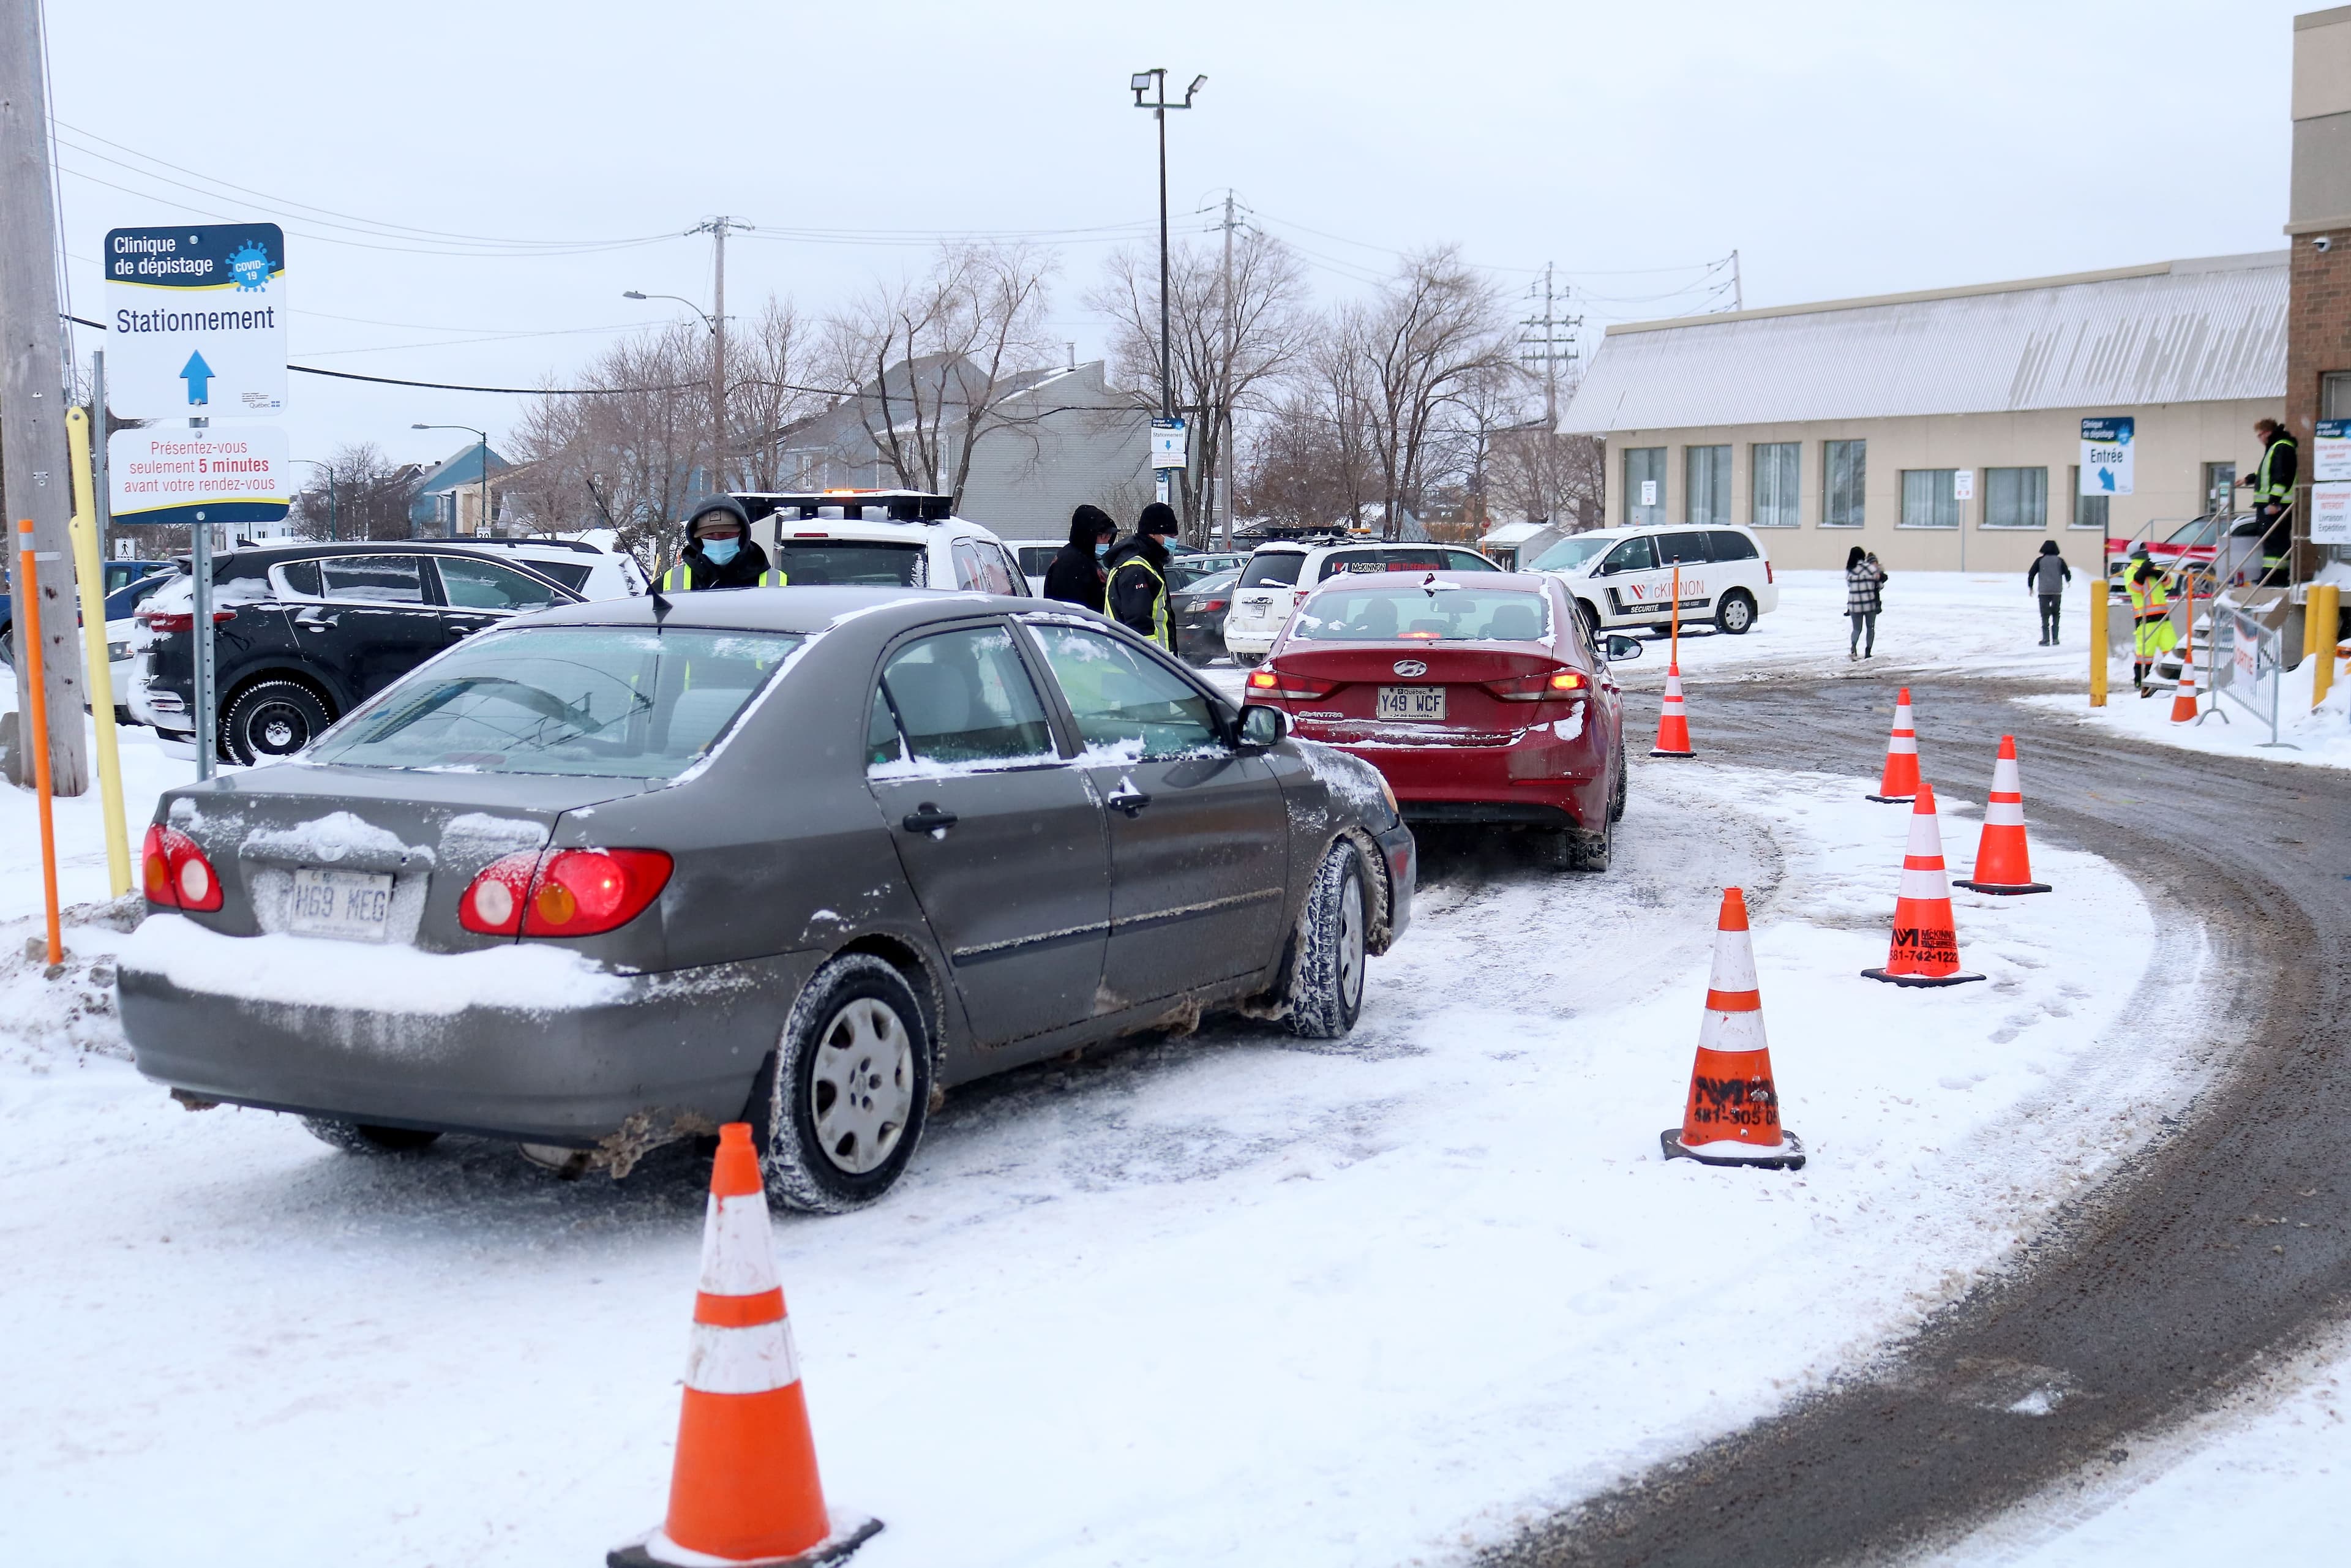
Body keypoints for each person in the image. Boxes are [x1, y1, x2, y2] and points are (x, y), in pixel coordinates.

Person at [657, 496, 782, 591]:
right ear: (697, 539)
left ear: (742, 535)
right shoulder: (668, 584)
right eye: (709, 535)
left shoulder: (779, 584)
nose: (718, 540)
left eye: (727, 534)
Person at [1104, 501, 1180, 650]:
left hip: (1151, 661)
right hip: (1147, 662)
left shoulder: (1148, 562)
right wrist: (1151, 663)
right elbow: (1139, 627)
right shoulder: (1137, 569)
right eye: (1169, 535)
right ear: (1152, 534)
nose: (1173, 540)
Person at [2234, 418, 2298, 585]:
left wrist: (2274, 502)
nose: (2260, 439)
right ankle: (2276, 575)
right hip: (2275, 504)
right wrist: (2248, 479)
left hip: (2276, 506)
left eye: (2260, 435)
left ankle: (2272, 577)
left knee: (2274, 541)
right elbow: (2267, 474)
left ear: (2267, 433)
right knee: (2275, 541)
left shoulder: (2281, 448)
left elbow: (2281, 477)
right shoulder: (2277, 447)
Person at [1042, 504, 1117, 612]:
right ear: (1088, 535)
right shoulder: (1072, 564)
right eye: (1103, 536)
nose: (1107, 542)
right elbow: (1073, 610)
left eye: (1109, 537)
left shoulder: (1087, 557)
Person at [2125, 549, 2176, 696]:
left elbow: (2169, 584)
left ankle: (2175, 678)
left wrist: (2158, 573)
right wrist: (2141, 574)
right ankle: (2141, 682)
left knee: (2172, 649)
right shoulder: (2131, 570)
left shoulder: (2154, 567)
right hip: (2146, 619)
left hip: (2163, 618)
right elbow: (2133, 589)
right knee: (2145, 653)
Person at [2025, 539, 2072, 646]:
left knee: (2045, 615)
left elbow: (2032, 574)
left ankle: (2046, 639)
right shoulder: (2060, 561)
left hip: (2044, 591)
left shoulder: (2040, 561)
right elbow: (2067, 573)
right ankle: (2055, 638)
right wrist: (2068, 580)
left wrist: (2031, 587)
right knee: (2056, 614)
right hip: (2056, 591)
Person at [1845, 546, 1888, 659]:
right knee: (1870, 628)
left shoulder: (1850, 570)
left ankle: (1853, 647)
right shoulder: (1871, 569)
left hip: (1854, 605)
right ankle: (1868, 651)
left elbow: (1849, 585)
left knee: (1857, 629)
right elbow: (1879, 585)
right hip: (1870, 603)